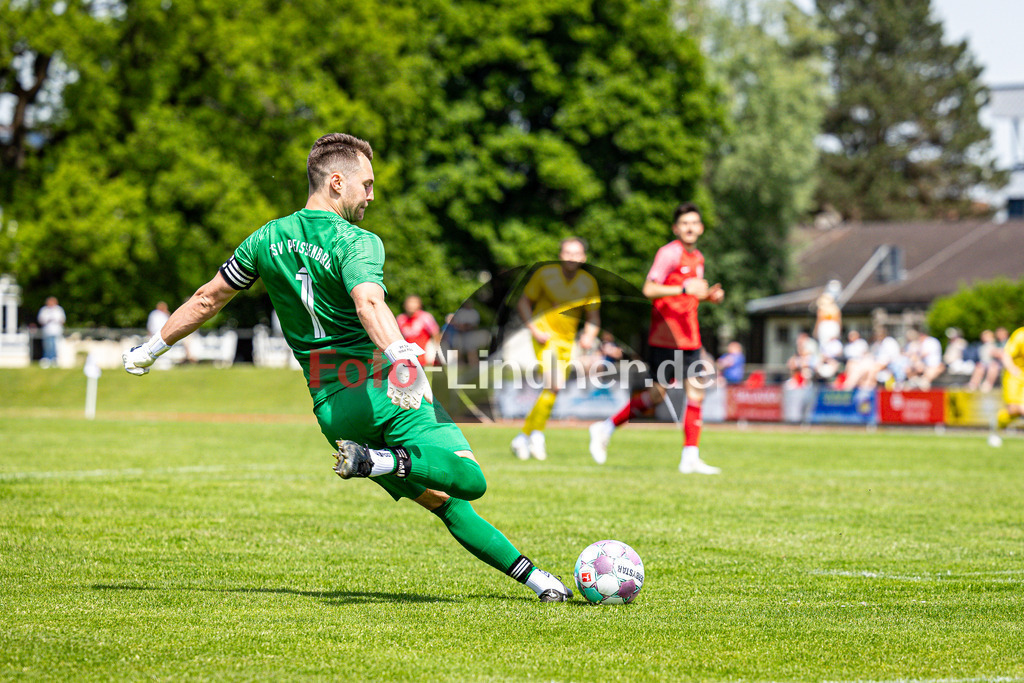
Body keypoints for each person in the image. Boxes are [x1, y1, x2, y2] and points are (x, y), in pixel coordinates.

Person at [123, 133, 572, 602]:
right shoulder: (357, 241)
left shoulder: (265, 238)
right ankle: (380, 460)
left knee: (444, 502)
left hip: (333, 412)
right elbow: (368, 301)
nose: (371, 196)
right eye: (368, 184)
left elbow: (207, 298)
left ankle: (540, 582)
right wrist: (402, 359)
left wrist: (151, 347)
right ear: (337, 182)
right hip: (382, 390)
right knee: (470, 480)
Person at [587, 203, 724, 473]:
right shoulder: (669, 254)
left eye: (694, 223)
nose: (690, 228)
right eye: (684, 223)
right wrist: (685, 286)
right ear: (676, 228)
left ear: (701, 228)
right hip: (666, 338)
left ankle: (690, 456)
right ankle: (606, 426)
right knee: (655, 396)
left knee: (696, 391)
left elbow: (687, 296)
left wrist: (708, 296)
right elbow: (649, 289)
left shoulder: (697, 257)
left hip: (690, 337)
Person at [510, 238, 600, 461]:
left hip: (567, 343)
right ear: (560, 255)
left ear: (583, 258)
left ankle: (524, 436)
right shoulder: (545, 274)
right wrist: (533, 329)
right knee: (555, 384)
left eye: (576, 253)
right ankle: (537, 435)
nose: (571, 257)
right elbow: (523, 302)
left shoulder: (589, 282)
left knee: (552, 390)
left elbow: (593, 317)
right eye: (567, 252)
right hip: (544, 338)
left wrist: (589, 335)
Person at [989, 325, 1024, 447]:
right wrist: (1013, 370)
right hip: (1015, 377)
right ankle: (996, 426)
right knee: (1014, 410)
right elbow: (1006, 355)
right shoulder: (1020, 335)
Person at [397, 295, 441, 366]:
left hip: (424, 355)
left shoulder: (425, 317)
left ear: (419, 305)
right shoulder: (401, 319)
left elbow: (435, 334)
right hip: (407, 355)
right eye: (409, 303)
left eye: (414, 303)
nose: (411, 305)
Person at [904, 325, 945, 390]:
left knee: (925, 380)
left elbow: (922, 354)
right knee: (909, 369)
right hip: (925, 367)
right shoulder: (922, 343)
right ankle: (914, 382)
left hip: (934, 366)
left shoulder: (930, 342)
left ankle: (921, 385)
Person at [37, 296, 66, 368]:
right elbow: (41, 320)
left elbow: (62, 319)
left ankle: (54, 359)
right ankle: (47, 359)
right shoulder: (44, 310)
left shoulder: (58, 310)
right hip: (47, 331)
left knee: (54, 345)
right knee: (47, 346)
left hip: (56, 331)